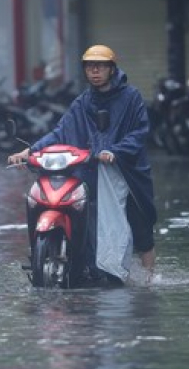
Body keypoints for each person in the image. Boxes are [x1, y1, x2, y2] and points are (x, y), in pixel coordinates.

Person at [8, 44, 157, 283]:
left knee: (140, 223)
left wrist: (115, 152)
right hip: (91, 169)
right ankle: (86, 266)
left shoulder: (131, 98)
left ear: (111, 69)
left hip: (126, 171)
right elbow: (60, 133)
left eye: (100, 66)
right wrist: (29, 151)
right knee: (83, 213)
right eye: (89, 67)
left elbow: (139, 133)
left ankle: (149, 281)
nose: (94, 71)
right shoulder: (83, 102)